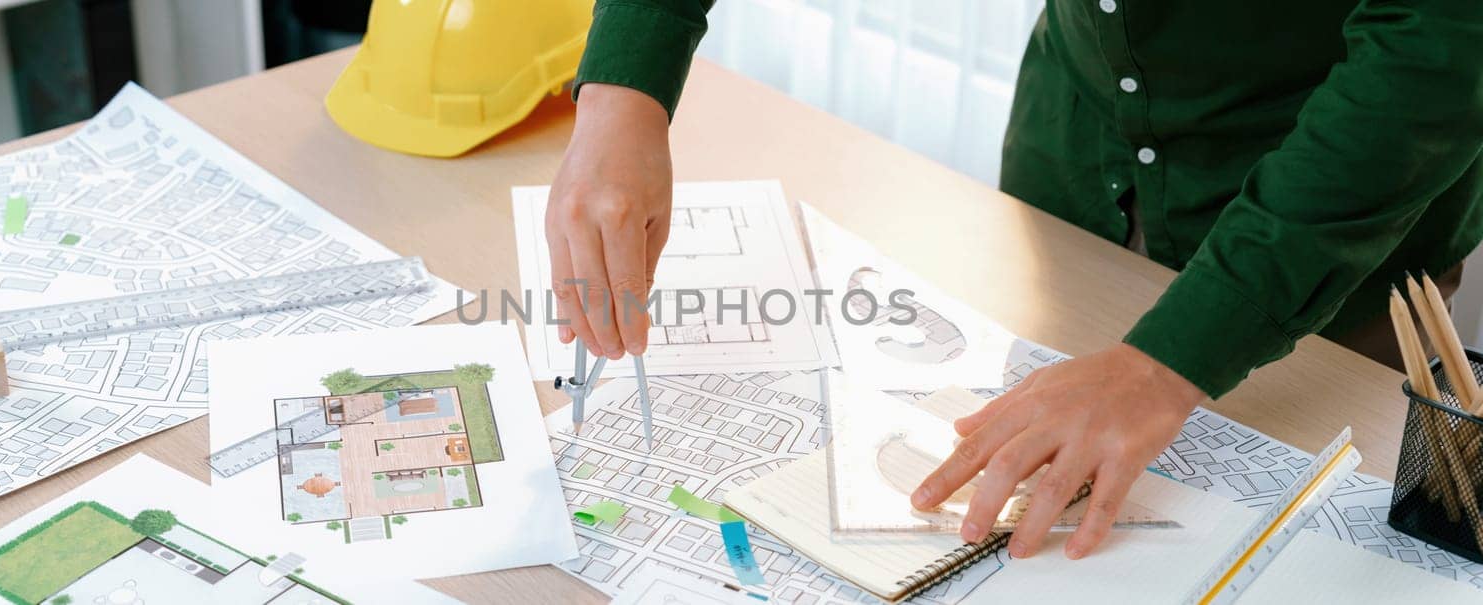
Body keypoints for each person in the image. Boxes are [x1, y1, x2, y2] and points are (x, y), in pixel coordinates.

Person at [544, 0, 1483, 560]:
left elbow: (1437, 44)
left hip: (1334, 215)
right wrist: (628, 82)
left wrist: (1169, 361)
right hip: (1075, 167)